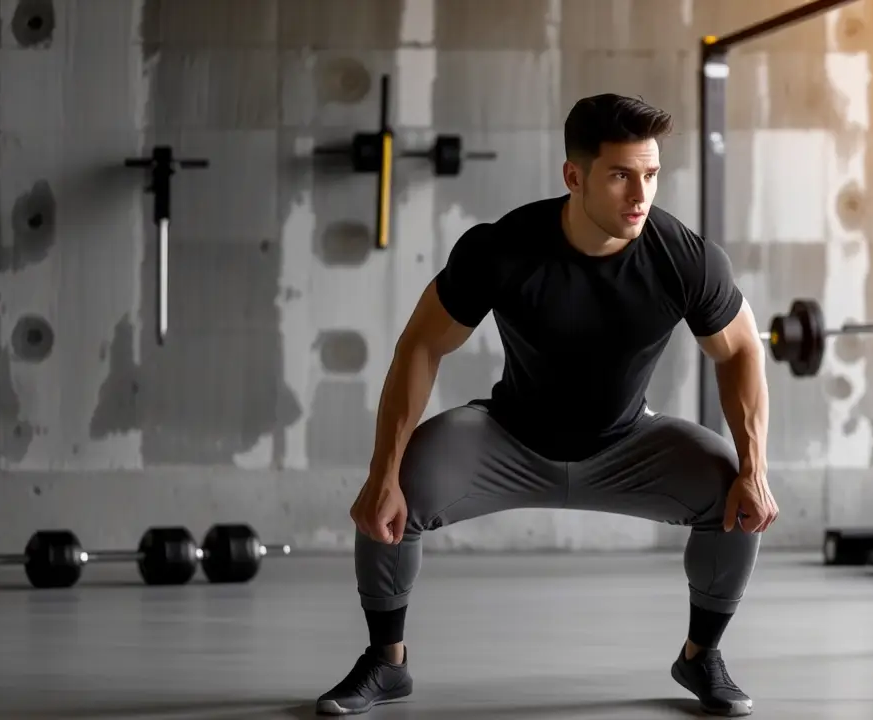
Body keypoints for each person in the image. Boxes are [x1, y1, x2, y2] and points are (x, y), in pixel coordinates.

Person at [315, 94, 778, 717]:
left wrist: (755, 468)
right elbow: (421, 345)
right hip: (508, 439)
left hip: (627, 446)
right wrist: (381, 471)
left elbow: (741, 348)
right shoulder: (503, 248)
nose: (640, 194)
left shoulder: (683, 258)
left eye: (650, 174)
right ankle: (385, 662)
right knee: (402, 479)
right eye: (619, 176)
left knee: (729, 485)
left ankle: (701, 655)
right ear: (574, 176)